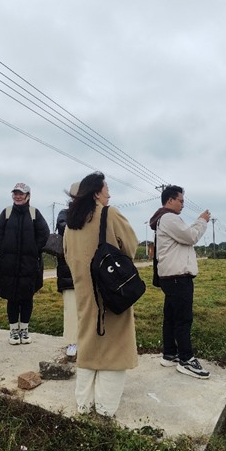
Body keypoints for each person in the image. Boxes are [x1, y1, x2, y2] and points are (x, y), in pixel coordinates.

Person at [63, 172, 139, 416]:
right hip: (111, 289)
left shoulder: (71, 222)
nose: (110, 194)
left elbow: (67, 255)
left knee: (87, 343)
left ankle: (83, 404)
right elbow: (130, 248)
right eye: (107, 189)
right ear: (97, 192)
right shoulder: (110, 214)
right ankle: (105, 408)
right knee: (114, 347)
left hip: (84, 290)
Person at [149, 185, 211, 379]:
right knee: (183, 319)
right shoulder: (169, 218)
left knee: (171, 316)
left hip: (170, 277)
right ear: (170, 200)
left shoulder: (163, 219)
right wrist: (202, 221)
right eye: (181, 201)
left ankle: (170, 353)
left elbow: (184, 236)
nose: (183, 204)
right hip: (178, 277)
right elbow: (191, 236)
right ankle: (186, 359)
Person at [0, 182, 50, 345]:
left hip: (28, 265)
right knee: (12, 298)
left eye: (21, 194)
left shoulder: (34, 213)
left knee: (26, 297)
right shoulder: (7, 212)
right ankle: (13, 331)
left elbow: (44, 234)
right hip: (8, 264)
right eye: (15, 194)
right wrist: (4, 249)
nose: (18, 196)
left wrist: (33, 249)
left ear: (28, 196)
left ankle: (24, 329)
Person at [56, 182, 80, 358]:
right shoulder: (64, 214)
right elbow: (64, 227)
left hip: (89, 270)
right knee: (71, 308)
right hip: (68, 271)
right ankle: (72, 342)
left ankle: (87, 342)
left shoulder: (97, 215)